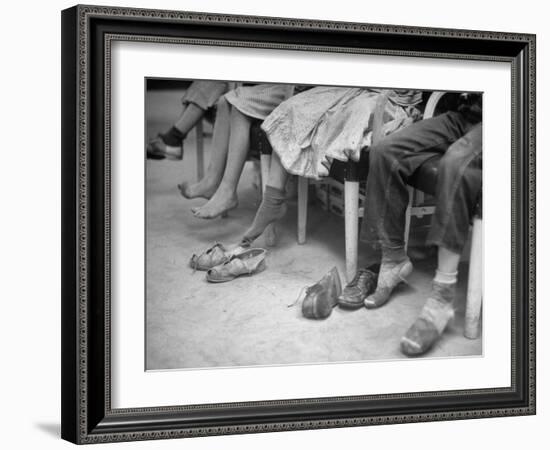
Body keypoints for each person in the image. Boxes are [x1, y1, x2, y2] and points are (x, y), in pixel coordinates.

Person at [358, 93, 482, 356]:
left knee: (456, 163)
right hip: (464, 115)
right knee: (384, 151)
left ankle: (441, 298)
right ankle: (393, 260)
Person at [237, 87, 423, 247]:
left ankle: (273, 202)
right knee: (293, 106)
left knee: (355, 113)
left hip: (391, 95)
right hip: (354, 85)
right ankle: (273, 200)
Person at [179, 83, 295, 219]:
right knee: (224, 101)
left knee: (239, 104)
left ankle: (228, 192)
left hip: (296, 88)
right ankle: (211, 181)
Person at [147, 80, 231, 160]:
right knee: (207, 82)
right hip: (220, 106)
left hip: (235, 113)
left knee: (212, 84)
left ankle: (174, 138)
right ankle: (174, 138)